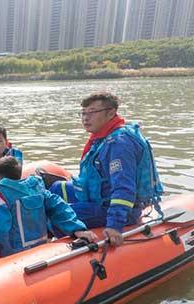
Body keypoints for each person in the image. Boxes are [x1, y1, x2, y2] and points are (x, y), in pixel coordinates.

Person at [50, 92, 163, 246]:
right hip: (100, 195)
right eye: (83, 113)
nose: (85, 118)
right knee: (57, 188)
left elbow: (124, 188)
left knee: (54, 215)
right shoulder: (103, 137)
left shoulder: (119, 144)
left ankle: (45, 244)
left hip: (114, 208)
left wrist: (114, 225)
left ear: (111, 113)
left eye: (92, 112)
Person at [0, 157, 97, 256]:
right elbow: (59, 207)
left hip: (15, 255)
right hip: (41, 247)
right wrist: (77, 229)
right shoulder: (37, 188)